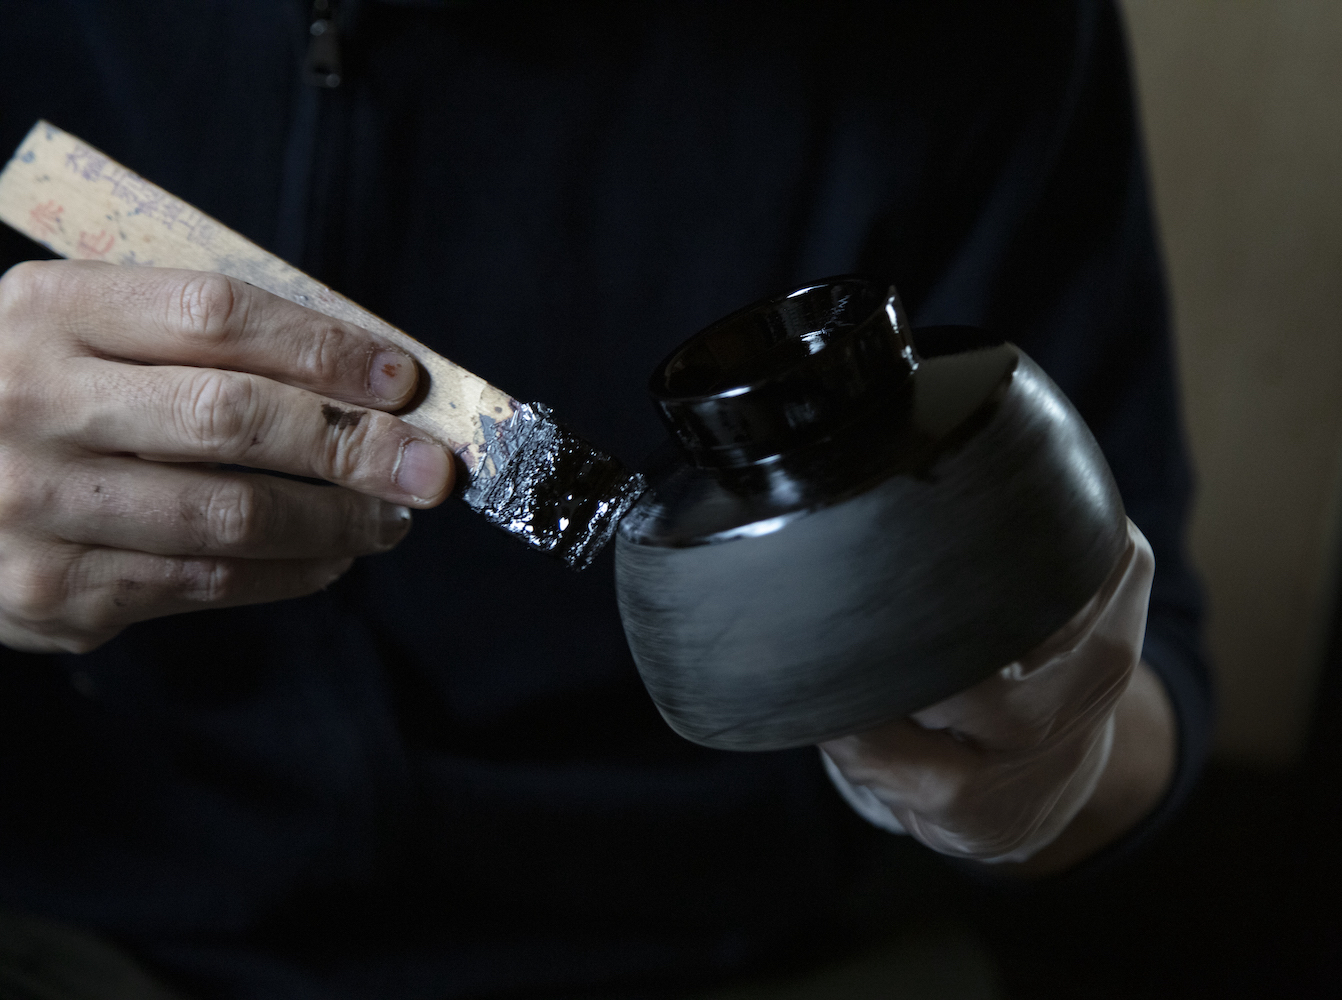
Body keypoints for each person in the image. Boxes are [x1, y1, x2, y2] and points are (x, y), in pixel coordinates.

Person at [0, 1, 1211, 997]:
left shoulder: (974, 40)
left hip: (749, 939)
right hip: (90, 924)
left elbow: (1154, 676)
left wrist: (1051, 764)